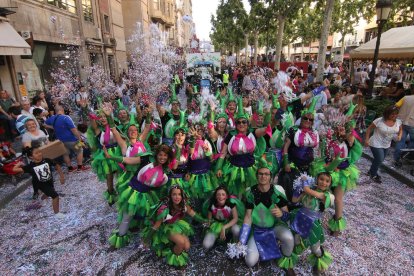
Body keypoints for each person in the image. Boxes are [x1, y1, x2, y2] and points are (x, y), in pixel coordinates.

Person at [108, 144, 173, 249]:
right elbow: (129, 160)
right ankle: (120, 236)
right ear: (156, 155)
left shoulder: (166, 173)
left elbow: (159, 187)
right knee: (127, 215)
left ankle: (145, 238)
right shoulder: (146, 158)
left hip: (146, 195)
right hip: (132, 192)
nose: (162, 158)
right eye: (160, 155)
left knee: (145, 217)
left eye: (165, 156)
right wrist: (111, 157)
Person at [239, 159, 296, 275]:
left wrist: (282, 214)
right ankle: (262, 247)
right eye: (260, 173)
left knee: (289, 238)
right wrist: (242, 239)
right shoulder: (251, 193)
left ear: (271, 176)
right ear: (256, 175)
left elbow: (287, 216)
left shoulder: (277, 192)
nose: (263, 176)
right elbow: (248, 217)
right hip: (257, 230)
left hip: (274, 227)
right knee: (250, 262)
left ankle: (286, 260)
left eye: (266, 174)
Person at [141, 185, 205, 268]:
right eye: (174, 194)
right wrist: (146, 240)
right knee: (181, 243)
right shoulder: (164, 209)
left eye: (179, 194)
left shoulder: (183, 205)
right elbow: (156, 226)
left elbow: (194, 215)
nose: (177, 197)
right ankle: (174, 259)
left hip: (176, 225)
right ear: (170, 196)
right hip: (164, 228)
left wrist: (205, 220)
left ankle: (171, 245)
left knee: (187, 247)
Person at [291, 172, 334, 274]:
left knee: (315, 248)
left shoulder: (326, 195)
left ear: (330, 184)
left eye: (327, 181)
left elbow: (307, 190)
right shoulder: (309, 191)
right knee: (296, 242)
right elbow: (294, 200)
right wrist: (297, 189)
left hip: (313, 224)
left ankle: (318, 262)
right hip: (299, 220)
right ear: (316, 180)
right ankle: (290, 264)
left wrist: (304, 182)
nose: (324, 182)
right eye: (321, 179)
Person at [13, 145, 65, 217]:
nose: (39, 154)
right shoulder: (31, 166)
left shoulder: (47, 160)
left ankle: (42, 198)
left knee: (50, 191)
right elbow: (14, 170)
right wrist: (19, 164)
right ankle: (57, 213)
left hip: (49, 181)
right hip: (41, 184)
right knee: (55, 196)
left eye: (40, 152)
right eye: (36, 153)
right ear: (31, 157)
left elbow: (57, 165)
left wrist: (62, 176)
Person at [365, 105, 402, 183]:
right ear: (387, 113)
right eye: (392, 114)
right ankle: (373, 175)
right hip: (375, 142)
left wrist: (399, 136)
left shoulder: (398, 121)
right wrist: (366, 139)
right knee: (379, 158)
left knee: (379, 160)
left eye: (396, 114)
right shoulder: (379, 120)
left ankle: (371, 171)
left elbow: (401, 129)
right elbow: (369, 129)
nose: (394, 116)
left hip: (387, 144)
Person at [46, 105, 88, 172]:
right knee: (79, 150)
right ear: (62, 110)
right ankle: (80, 167)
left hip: (60, 141)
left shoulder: (52, 118)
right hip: (72, 140)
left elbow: (45, 124)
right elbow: (73, 130)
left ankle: (70, 168)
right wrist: (80, 138)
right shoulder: (66, 118)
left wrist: (54, 127)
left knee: (65, 154)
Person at [202, 186, 244, 250]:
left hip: (228, 223)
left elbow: (235, 218)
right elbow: (209, 219)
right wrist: (208, 224)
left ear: (226, 196)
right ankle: (218, 239)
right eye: (218, 194)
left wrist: (224, 227)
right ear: (216, 197)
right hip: (216, 224)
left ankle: (234, 244)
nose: (221, 197)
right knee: (206, 245)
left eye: (223, 194)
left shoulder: (231, 205)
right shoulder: (212, 205)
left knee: (236, 229)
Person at [393, 94, 414, 167]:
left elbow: (395, 106)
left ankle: (396, 159)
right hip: (412, 124)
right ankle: (407, 156)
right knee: (413, 141)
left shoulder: (406, 97)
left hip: (401, 121)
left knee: (400, 140)